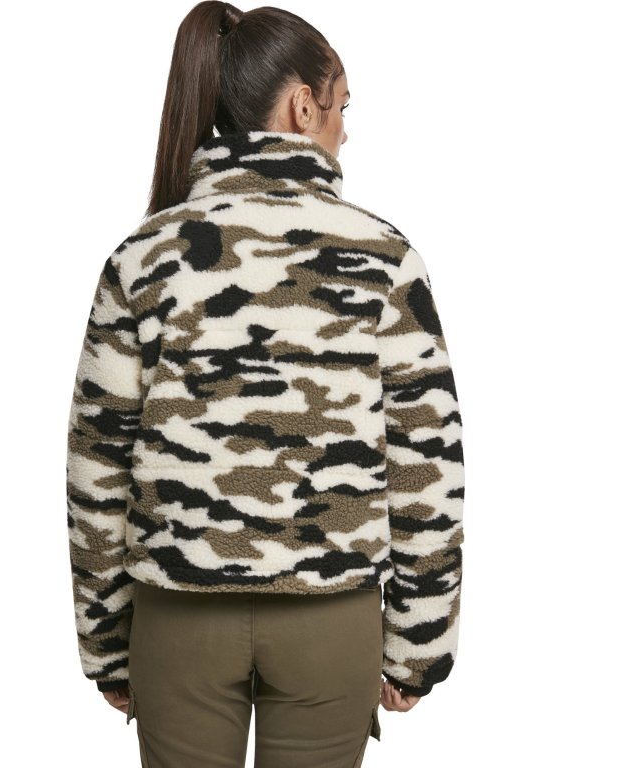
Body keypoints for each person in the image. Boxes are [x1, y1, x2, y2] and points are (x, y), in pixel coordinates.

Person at [65, 2, 465, 765]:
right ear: (304, 107)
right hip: (332, 621)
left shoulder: (141, 258)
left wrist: (107, 642)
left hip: (176, 621)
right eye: (342, 108)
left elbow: (97, 465)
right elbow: (426, 459)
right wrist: (419, 640)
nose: (345, 132)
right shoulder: (385, 257)